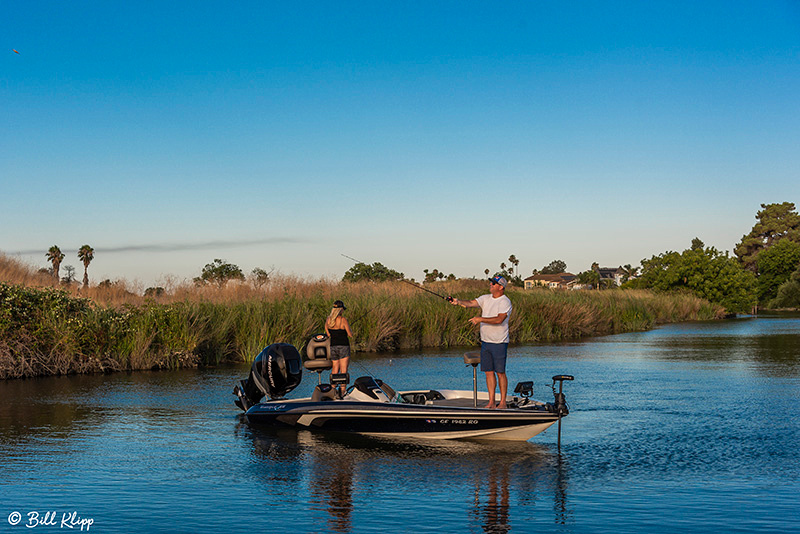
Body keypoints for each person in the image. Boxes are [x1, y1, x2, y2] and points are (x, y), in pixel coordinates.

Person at [449, 275, 513, 409]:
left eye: (494, 283)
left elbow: (499, 320)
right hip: (486, 342)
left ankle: (502, 403)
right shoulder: (485, 298)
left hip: (499, 342)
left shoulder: (504, 301)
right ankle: (491, 402)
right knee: (488, 372)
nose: (490, 285)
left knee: (500, 372)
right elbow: (471, 303)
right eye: (491, 282)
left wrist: (480, 319)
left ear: (501, 287)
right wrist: (458, 301)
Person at [325, 300, 353, 395]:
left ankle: (333, 391)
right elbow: (350, 334)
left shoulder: (328, 320)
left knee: (335, 369)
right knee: (343, 370)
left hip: (333, 347)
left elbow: (328, 334)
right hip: (344, 346)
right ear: (340, 310)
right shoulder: (343, 320)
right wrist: (349, 331)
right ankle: (342, 391)